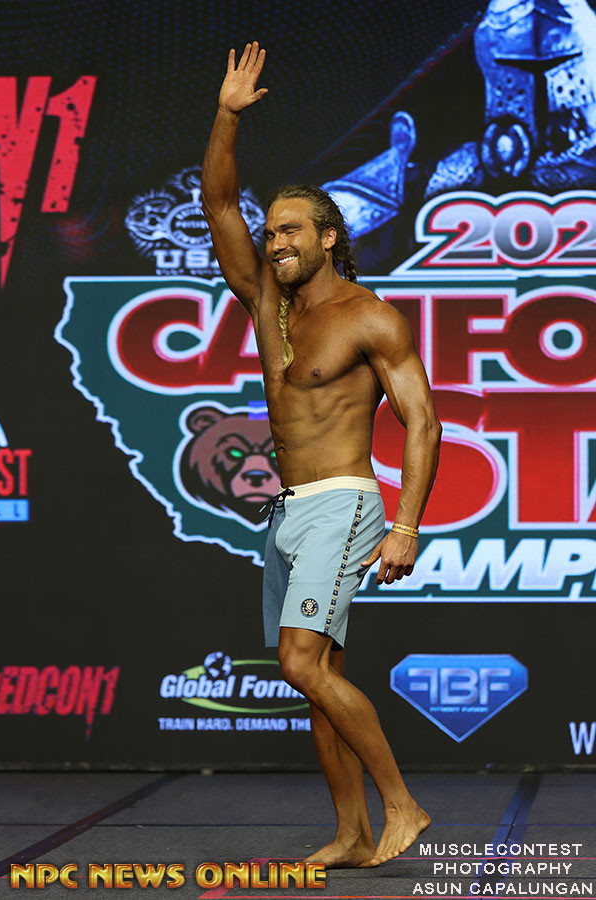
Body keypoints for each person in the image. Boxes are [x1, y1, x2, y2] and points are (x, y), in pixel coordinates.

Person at [201, 42, 442, 868]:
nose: (274, 243)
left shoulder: (368, 316)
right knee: (318, 679)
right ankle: (351, 833)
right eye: (271, 232)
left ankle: (403, 805)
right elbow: (219, 201)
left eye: (291, 231)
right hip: (291, 512)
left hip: (345, 502)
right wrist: (227, 117)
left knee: (301, 662)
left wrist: (405, 525)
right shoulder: (269, 304)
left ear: (329, 237)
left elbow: (422, 421)